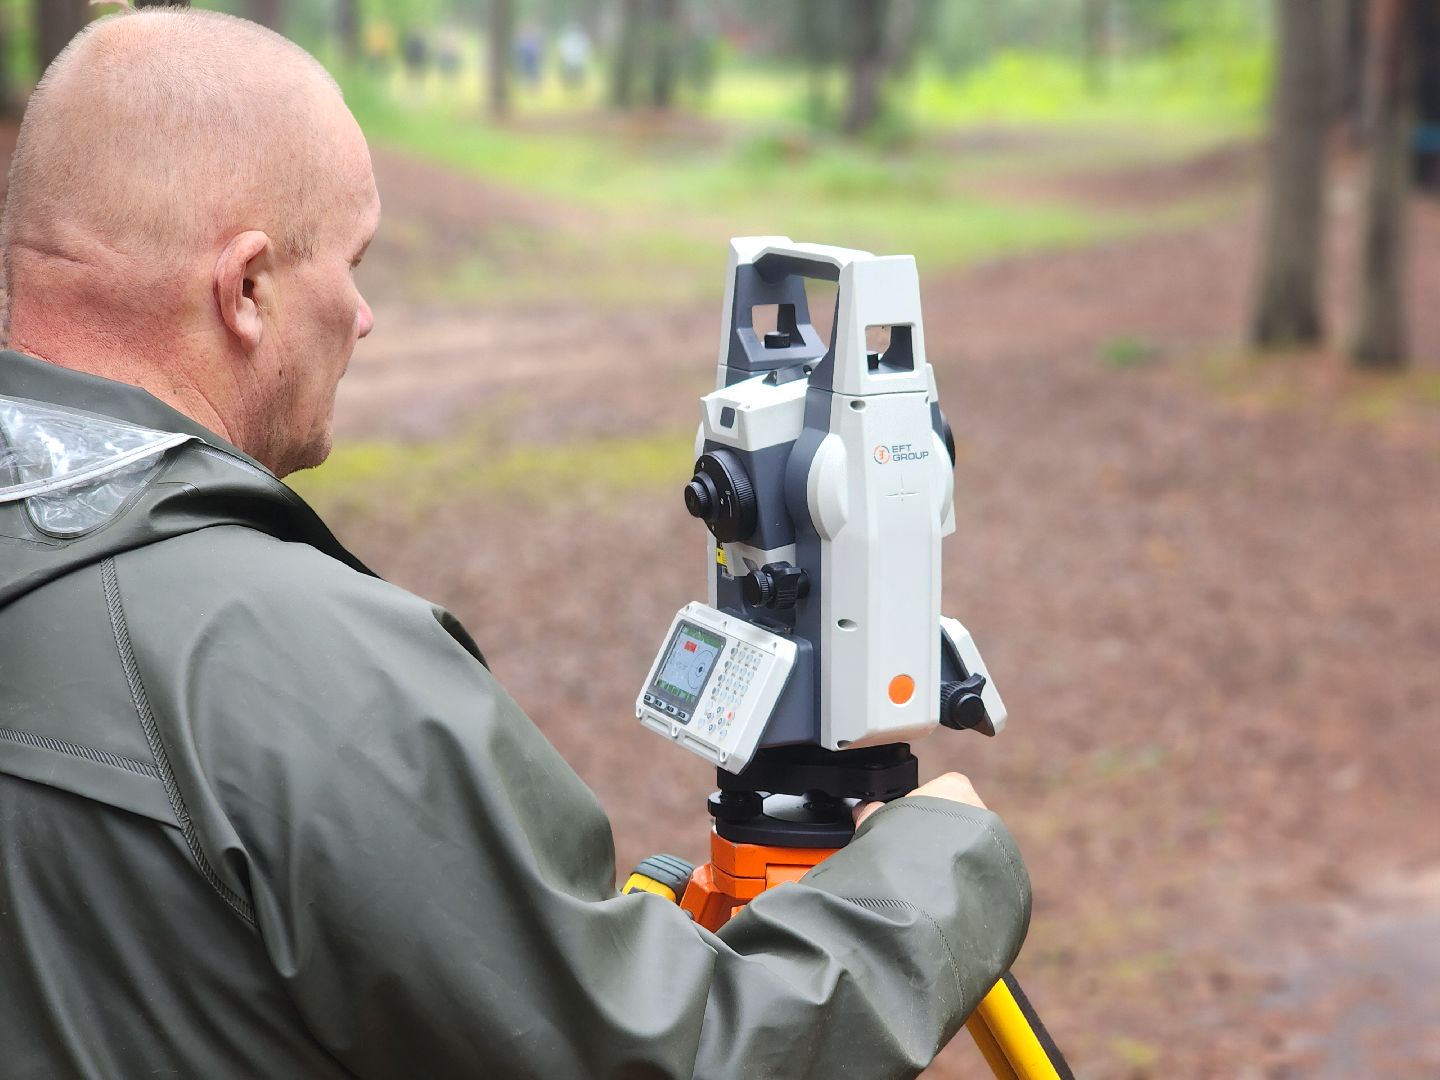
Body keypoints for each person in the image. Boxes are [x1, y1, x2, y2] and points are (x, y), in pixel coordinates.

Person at [0, 10, 1030, 1079]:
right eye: (351, 264)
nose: (362, 315)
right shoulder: (300, 673)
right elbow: (674, 1060)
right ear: (247, 287)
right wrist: (939, 871)